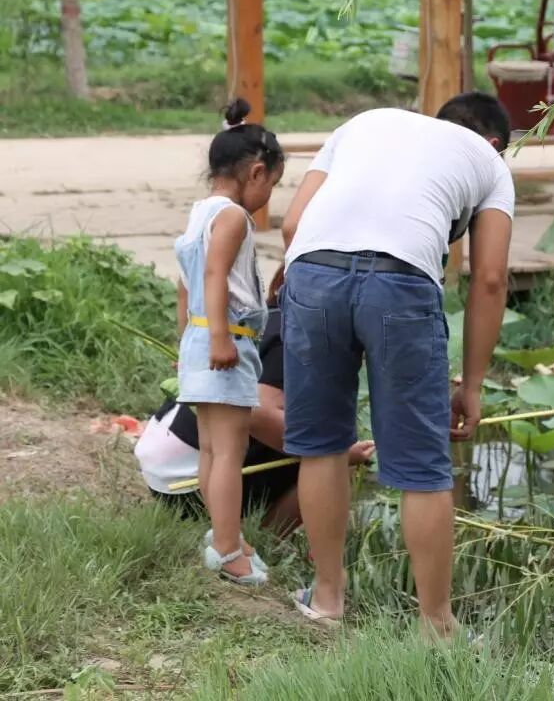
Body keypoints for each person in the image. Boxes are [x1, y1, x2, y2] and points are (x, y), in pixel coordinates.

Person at [280, 92, 514, 630]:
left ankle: (327, 600)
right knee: (422, 468)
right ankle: (436, 625)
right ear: (496, 143)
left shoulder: (365, 123)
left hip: (313, 272)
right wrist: (472, 385)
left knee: (320, 446)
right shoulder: (490, 164)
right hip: (401, 284)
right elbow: (491, 278)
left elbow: (293, 225)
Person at [135, 268, 376, 536]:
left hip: (166, 464)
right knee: (334, 457)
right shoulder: (299, 336)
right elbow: (258, 413)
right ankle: (263, 537)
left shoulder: (270, 319)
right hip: (187, 481)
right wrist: (337, 453)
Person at [174, 99, 285, 586]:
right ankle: (226, 550)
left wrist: (192, 334)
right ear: (256, 172)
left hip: (199, 339)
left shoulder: (199, 213)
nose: (269, 197)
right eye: (273, 186)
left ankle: (225, 536)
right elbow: (217, 272)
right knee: (230, 452)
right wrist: (220, 337)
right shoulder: (234, 217)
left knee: (210, 449)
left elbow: (186, 280)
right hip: (226, 342)